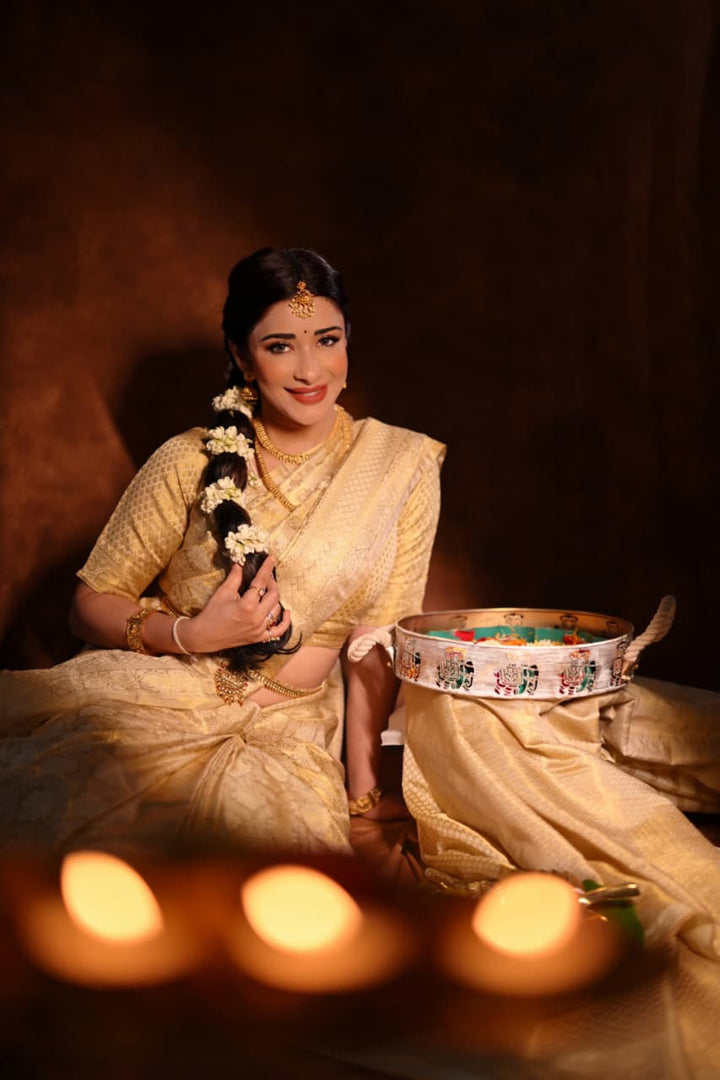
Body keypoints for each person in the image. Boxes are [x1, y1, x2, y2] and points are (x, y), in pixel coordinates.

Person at [0, 247, 445, 855]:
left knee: (260, 863)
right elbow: (89, 604)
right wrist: (191, 635)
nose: (310, 370)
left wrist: (362, 792)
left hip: (286, 734)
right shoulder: (188, 459)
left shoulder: (400, 465)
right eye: (280, 346)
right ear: (241, 356)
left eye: (328, 339)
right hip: (153, 695)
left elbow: (377, 642)